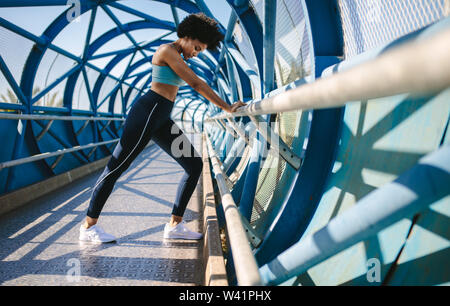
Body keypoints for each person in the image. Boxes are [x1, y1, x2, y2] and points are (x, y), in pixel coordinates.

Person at [79, 13, 246, 243]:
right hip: (147, 114)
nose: (195, 54)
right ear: (187, 36)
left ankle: (175, 225)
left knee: (193, 164)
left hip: (161, 118)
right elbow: (196, 83)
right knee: (116, 167)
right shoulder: (167, 51)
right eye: (196, 47)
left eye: (200, 51)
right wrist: (227, 107)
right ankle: (88, 227)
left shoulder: (178, 55)